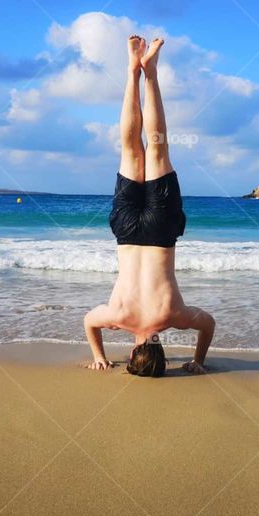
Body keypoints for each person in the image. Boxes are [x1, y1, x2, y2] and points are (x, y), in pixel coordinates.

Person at [83, 35, 215, 376]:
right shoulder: (117, 317)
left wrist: (199, 360)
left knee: (157, 148)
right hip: (127, 233)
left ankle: (151, 72)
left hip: (161, 232)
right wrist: (98, 356)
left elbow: (208, 324)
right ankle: (132, 70)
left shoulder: (174, 316)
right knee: (130, 150)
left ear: (160, 351)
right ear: (131, 354)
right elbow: (89, 321)